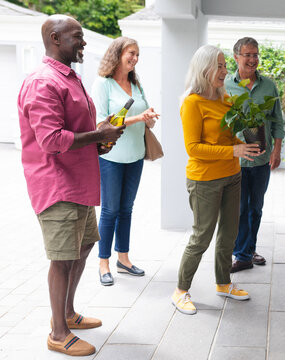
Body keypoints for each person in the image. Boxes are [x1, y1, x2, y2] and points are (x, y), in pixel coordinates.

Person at [18, 15, 125, 356]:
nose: (84, 42)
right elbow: (50, 140)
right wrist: (98, 135)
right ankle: (58, 332)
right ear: (54, 38)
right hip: (57, 185)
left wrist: (99, 139)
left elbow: (73, 128)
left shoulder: (70, 77)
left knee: (83, 247)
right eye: (77, 36)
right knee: (62, 259)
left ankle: (67, 312)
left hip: (79, 180)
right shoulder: (42, 82)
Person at [172, 45, 263, 315]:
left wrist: (244, 146)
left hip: (232, 175)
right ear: (205, 69)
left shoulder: (225, 100)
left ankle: (224, 283)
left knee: (229, 234)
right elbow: (194, 148)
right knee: (202, 237)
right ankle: (180, 291)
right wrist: (233, 150)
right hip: (204, 180)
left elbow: (227, 138)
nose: (225, 71)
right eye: (220, 66)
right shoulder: (192, 102)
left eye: (225, 65)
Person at [91, 37, 160, 286]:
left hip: (135, 155)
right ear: (117, 54)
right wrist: (137, 117)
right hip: (111, 157)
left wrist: (149, 118)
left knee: (126, 210)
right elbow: (100, 124)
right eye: (131, 53)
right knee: (109, 211)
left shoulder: (135, 83)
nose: (135, 58)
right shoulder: (103, 84)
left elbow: (144, 115)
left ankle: (124, 259)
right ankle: (103, 263)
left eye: (138, 54)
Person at [225, 37, 285, 272]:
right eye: (247, 54)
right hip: (235, 160)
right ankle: (242, 254)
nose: (252, 59)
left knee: (256, 208)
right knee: (239, 208)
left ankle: (247, 250)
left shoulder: (269, 86)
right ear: (236, 57)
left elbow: (278, 122)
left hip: (261, 158)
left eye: (255, 54)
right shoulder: (225, 86)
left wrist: (277, 150)